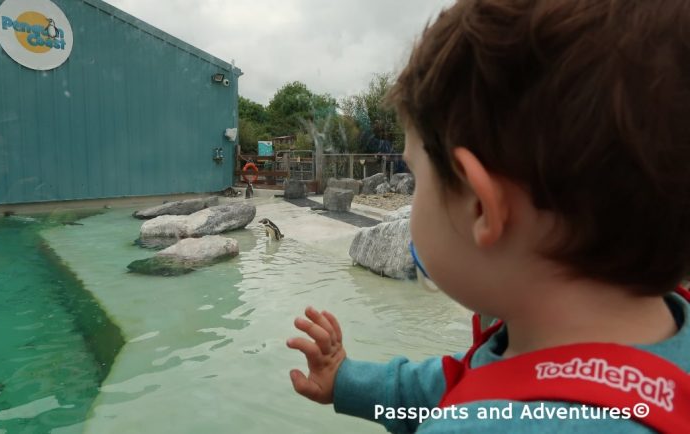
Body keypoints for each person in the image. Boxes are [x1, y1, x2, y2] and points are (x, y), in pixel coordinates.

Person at [287, 0, 690, 432]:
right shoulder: (661, 335)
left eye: (417, 175)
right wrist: (349, 381)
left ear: (481, 207)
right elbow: (458, 383)